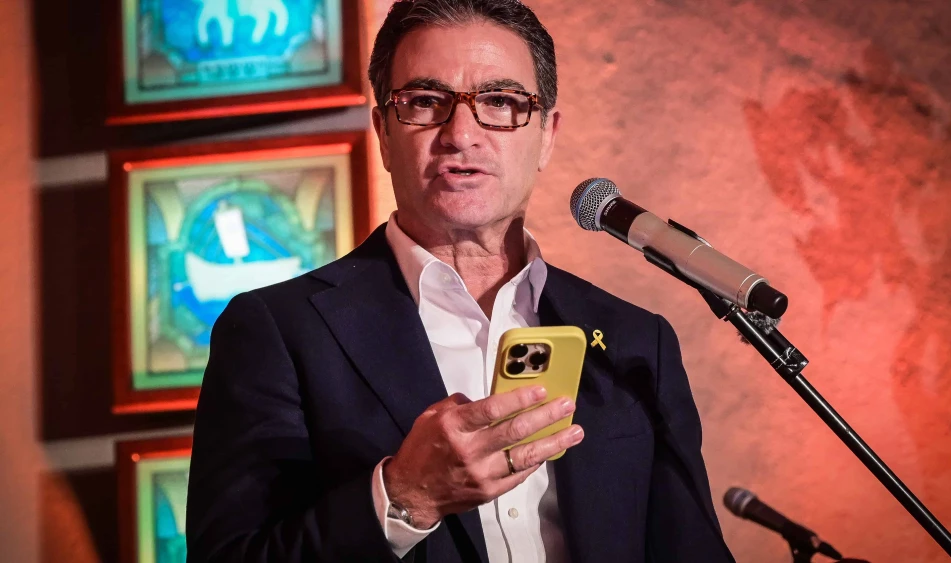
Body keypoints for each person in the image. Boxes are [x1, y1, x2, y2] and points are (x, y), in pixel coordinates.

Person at [186, 1, 736, 562]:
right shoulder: (278, 331)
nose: (461, 134)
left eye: (500, 102)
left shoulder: (635, 341)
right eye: (426, 102)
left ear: (547, 133)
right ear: (382, 131)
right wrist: (404, 498)